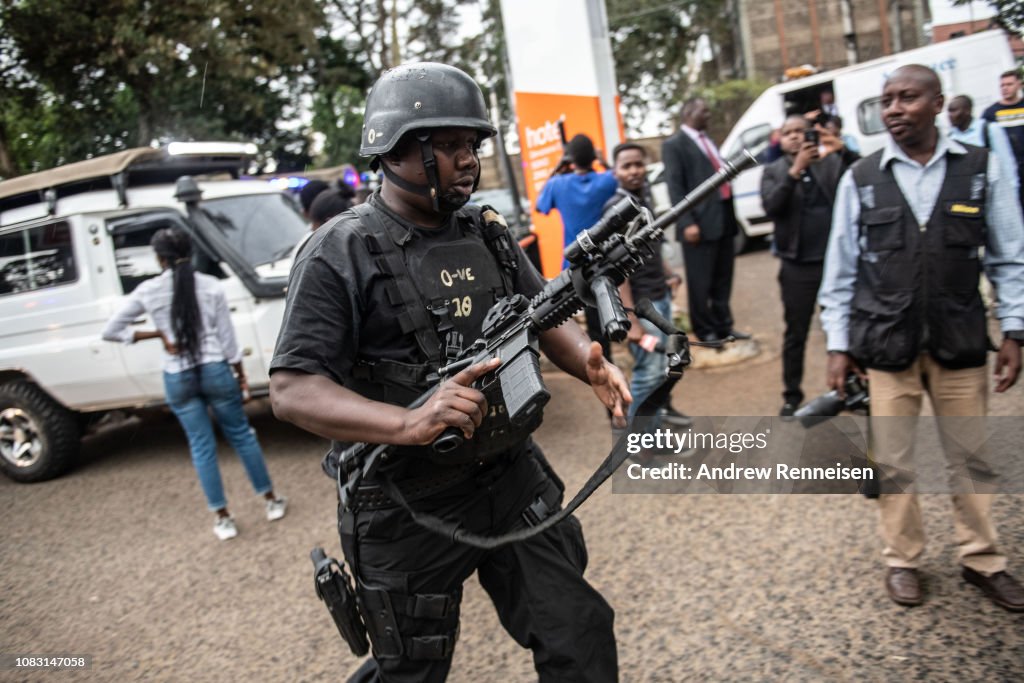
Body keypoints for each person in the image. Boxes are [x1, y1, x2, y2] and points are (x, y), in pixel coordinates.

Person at [269, 62, 627, 682]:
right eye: (451, 145)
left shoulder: (486, 230)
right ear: (396, 147)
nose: (468, 159)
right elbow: (292, 389)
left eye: (473, 145)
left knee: (580, 634)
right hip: (405, 500)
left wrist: (583, 360)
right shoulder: (339, 250)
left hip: (509, 479)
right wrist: (410, 421)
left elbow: (542, 314)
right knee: (408, 671)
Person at [819, 64, 1024, 611]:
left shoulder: (982, 169)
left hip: (959, 341)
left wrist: (1015, 331)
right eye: (887, 100)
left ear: (937, 104)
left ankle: (982, 559)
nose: (893, 109)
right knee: (893, 461)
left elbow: (1009, 257)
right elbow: (838, 275)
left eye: (907, 97)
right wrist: (839, 347)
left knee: (971, 457)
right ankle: (902, 560)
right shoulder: (860, 177)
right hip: (887, 347)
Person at [102, 229, 287, 541]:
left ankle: (223, 518)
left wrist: (158, 335)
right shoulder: (210, 287)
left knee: (202, 447)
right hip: (215, 368)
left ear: (159, 258)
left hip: (178, 376)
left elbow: (112, 330)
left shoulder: (148, 290)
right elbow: (228, 340)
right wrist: (240, 375)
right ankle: (271, 501)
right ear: (191, 251)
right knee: (242, 435)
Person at [761, 114, 845, 416]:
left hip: (834, 265)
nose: (795, 137)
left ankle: (848, 387)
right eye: (788, 132)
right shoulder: (774, 171)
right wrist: (795, 172)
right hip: (797, 266)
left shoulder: (830, 164)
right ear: (780, 139)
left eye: (800, 131)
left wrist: (841, 150)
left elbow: (854, 182)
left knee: (841, 329)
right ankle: (791, 395)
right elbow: (771, 207)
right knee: (796, 333)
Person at [603, 142, 690, 432]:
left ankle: (653, 427)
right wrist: (630, 318)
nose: (634, 170)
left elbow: (651, 248)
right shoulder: (617, 210)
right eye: (626, 166)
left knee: (662, 369)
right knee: (648, 375)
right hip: (640, 308)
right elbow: (617, 271)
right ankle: (640, 444)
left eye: (638, 164)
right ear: (615, 171)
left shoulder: (643, 201)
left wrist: (668, 274)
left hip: (658, 299)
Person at [661, 97, 749, 343]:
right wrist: (687, 222)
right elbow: (675, 187)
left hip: (722, 220)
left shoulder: (707, 140)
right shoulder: (674, 145)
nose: (709, 115)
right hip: (697, 225)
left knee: (723, 279)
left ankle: (724, 326)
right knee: (701, 282)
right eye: (704, 111)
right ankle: (705, 330)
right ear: (688, 113)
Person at [536, 132, 619, 359]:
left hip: (576, 264)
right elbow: (620, 178)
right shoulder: (607, 180)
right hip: (608, 258)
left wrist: (557, 166)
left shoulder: (557, 184)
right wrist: (604, 161)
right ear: (593, 156)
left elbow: (539, 205)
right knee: (610, 310)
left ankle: (599, 359)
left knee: (585, 318)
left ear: (570, 159)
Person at [949, 94, 1019, 192]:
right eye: (949, 111)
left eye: (953, 110)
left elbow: (1006, 163)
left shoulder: (989, 129)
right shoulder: (951, 137)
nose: (949, 115)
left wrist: (1013, 189)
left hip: (992, 190)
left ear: (967, 111)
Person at [981, 69, 1024, 207]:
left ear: (1019, 85)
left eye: (1009, 84)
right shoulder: (991, 113)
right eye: (1002, 85)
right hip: (1007, 170)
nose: (1005, 88)